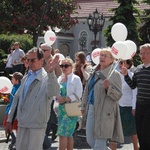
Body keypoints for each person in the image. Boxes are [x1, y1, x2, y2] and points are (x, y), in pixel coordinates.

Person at [5, 47, 60, 150]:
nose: (30, 62)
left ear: (41, 60)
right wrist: (9, 120)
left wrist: (51, 73)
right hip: (22, 124)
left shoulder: (47, 77)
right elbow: (16, 99)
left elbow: (54, 93)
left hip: (36, 125)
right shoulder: (26, 77)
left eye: (33, 60)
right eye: (28, 60)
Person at [81, 47, 124, 150]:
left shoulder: (115, 74)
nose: (102, 57)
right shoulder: (93, 71)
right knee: (90, 140)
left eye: (105, 56)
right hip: (91, 108)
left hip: (105, 112)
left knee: (100, 143)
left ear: (112, 60)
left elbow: (118, 95)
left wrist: (108, 88)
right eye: (101, 55)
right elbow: (87, 90)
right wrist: (83, 106)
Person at [121, 43, 150, 150]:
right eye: (141, 53)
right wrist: (126, 76)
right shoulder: (138, 69)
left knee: (147, 131)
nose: (143, 56)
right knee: (140, 131)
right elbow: (133, 86)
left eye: (146, 53)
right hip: (140, 105)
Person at [109, 59, 139, 150]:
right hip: (116, 105)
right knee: (114, 130)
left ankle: (136, 147)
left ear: (128, 65)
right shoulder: (115, 75)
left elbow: (135, 92)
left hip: (128, 106)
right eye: (119, 62)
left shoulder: (132, 75)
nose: (120, 64)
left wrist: (134, 107)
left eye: (122, 62)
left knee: (132, 131)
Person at [55, 58, 83, 150]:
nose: (64, 68)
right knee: (67, 134)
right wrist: (57, 98)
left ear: (71, 67)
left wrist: (67, 99)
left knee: (63, 133)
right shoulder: (59, 78)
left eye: (66, 65)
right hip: (61, 109)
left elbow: (79, 93)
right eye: (61, 66)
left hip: (71, 108)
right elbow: (54, 92)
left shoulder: (76, 78)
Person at [41, 43, 61, 149]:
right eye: (41, 50)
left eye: (44, 50)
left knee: (48, 115)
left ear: (49, 51)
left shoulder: (54, 61)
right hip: (40, 90)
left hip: (50, 92)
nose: (42, 52)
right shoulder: (39, 59)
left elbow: (59, 75)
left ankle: (45, 141)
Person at [3, 72, 23, 150]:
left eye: (12, 78)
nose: (11, 79)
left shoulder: (18, 88)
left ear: (17, 80)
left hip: (13, 111)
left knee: (13, 126)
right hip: (10, 110)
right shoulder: (14, 86)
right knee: (7, 125)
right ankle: (15, 139)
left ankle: (16, 141)